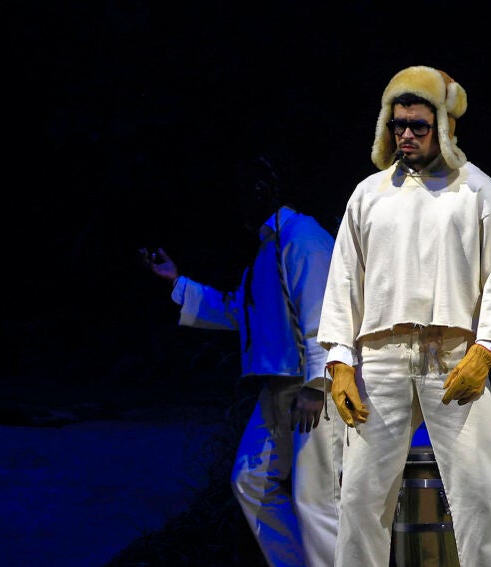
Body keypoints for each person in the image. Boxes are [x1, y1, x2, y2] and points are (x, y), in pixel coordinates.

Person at [316, 64, 491, 567]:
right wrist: (339, 360)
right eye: (398, 124)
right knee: (359, 499)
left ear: (444, 127)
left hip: (452, 356)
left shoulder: (476, 191)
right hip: (381, 359)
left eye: (418, 125)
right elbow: (344, 277)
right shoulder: (369, 194)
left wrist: (487, 350)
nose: (406, 134)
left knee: (481, 494)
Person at [138, 153, 343, 567]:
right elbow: (241, 311)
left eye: (242, 193)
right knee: (251, 480)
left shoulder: (302, 237)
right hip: (278, 386)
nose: (237, 204)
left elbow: (326, 314)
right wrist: (177, 283)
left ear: (262, 191)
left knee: (317, 499)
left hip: (310, 388)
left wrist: (317, 385)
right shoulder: (269, 247)